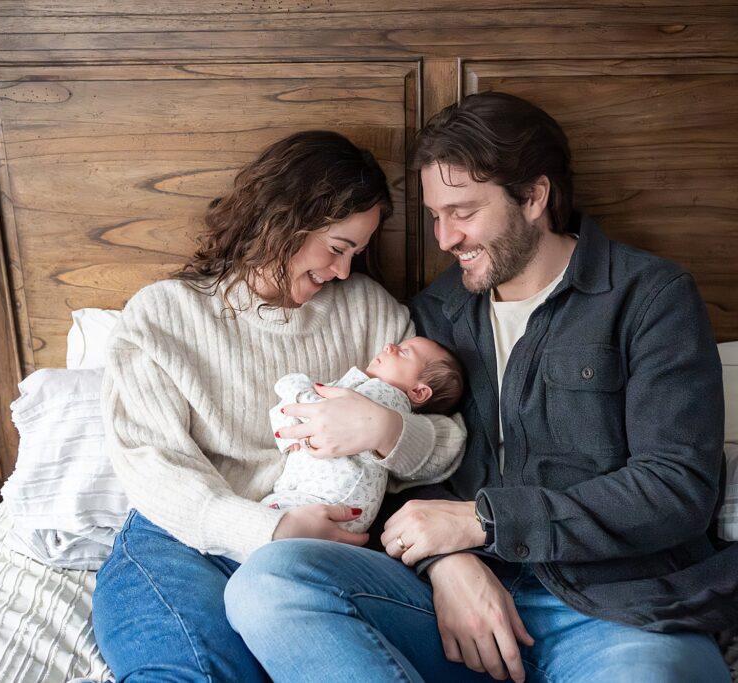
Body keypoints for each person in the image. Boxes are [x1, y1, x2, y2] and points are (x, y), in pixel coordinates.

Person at [225, 93, 738, 682]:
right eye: (435, 215)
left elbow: (677, 487)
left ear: (534, 196)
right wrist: (448, 561)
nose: (444, 238)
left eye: (462, 211)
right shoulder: (435, 313)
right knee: (270, 582)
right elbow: (402, 468)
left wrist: (482, 523)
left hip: (618, 610)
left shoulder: (647, 298)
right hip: (453, 603)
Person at [92, 130, 467, 682]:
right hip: (185, 538)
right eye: (337, 248)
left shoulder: (370, 314)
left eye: (356, 254)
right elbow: (151, 464)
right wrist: (269, 531)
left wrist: (387, 429)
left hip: (324, 551)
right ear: (281, 220)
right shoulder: (163, 315)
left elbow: (448, 441)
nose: (343, 271)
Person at [266, 336, 465, 532]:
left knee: (267, 519)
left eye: (403, 352)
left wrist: (296, 388)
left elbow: (319, 410)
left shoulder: (387, 395)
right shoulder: (363, 389)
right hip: (329, 501)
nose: (389, 346)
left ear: (418, 392)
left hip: (333, 499)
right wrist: (290, 430)